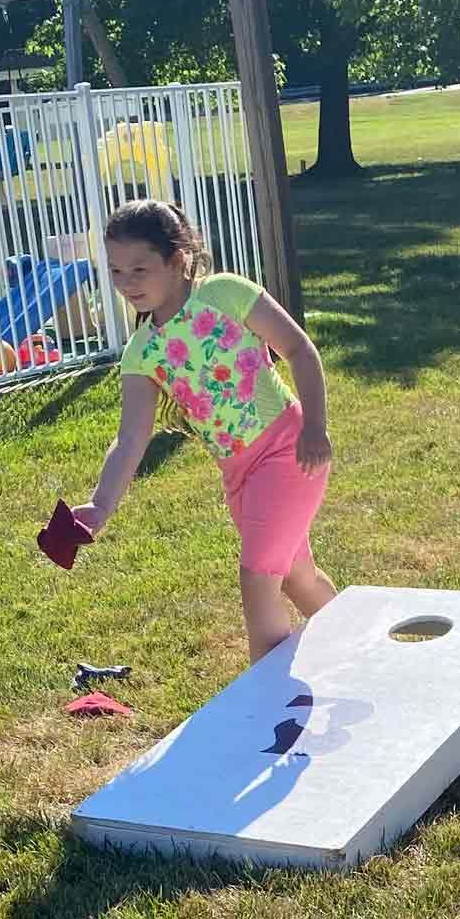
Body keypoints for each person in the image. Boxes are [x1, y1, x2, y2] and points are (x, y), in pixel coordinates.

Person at [69, 200, 336, 661]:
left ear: (177, 259)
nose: (126, 283)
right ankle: (359, 647)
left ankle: (267, 700)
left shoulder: (226, 294)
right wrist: (100, 504)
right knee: (296, 575)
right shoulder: (142, 352)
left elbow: (298, 348)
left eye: (139, 268)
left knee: (257, 577)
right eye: (115, 271)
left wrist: (315, 425)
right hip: (239, 474)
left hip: (289, 449)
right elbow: (131, 438)